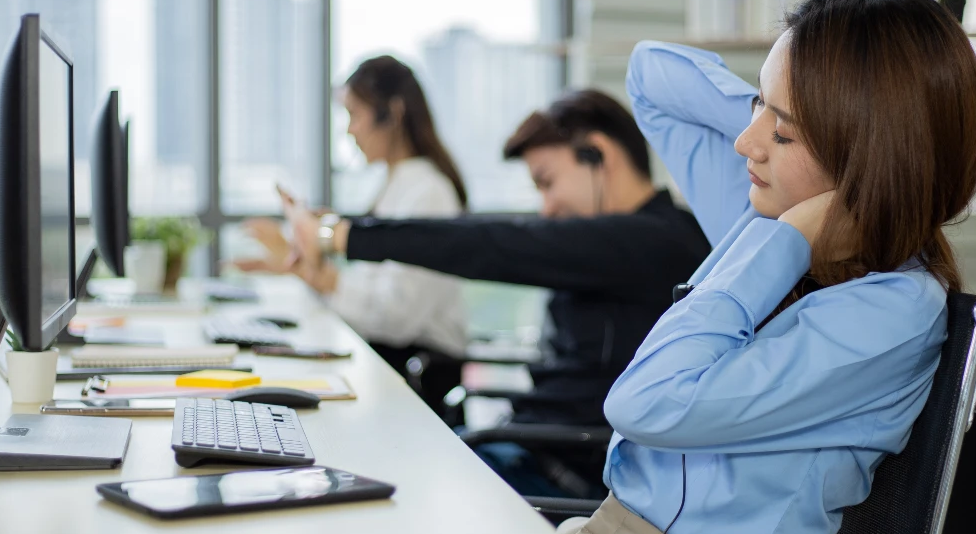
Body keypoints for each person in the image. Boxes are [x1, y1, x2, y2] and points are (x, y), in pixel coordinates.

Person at [564, 0, 976, 534]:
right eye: (759, 106)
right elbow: (650, 74)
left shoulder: (893, 312)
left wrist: (790, 232)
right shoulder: (766, 196)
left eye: (782, 132)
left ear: (865, 157)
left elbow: (644, 402)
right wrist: (789, 108)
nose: (744, 142)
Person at [283, 89, 713, 497]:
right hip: (529, 445)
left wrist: (341, 235)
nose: (546, 208)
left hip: (563, 473)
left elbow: (496, 244)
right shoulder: (624, 244)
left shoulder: (658, 241)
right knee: (372, 461)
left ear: (599, 154)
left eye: (548, 182)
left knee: (390, 481)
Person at [234, 55, 469, 393]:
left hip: (417, 371)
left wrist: (320, 274)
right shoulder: (396, 183)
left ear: (394, 113)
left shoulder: (428, 192)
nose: (349, 129)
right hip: (388, 362)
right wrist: (305, 263)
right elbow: (371, 289)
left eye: (354, 115)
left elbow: (397, 317)